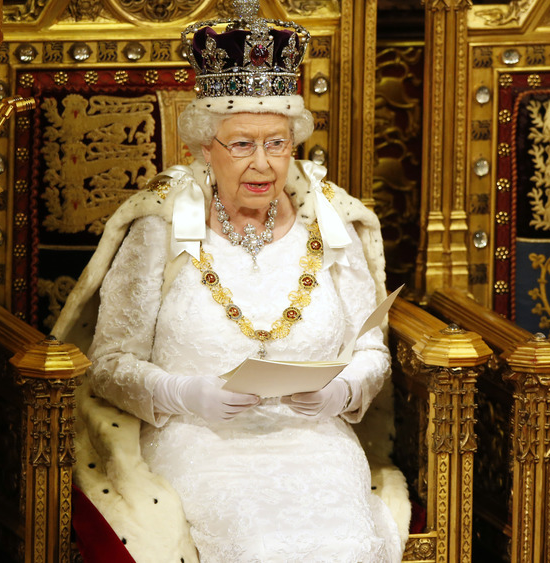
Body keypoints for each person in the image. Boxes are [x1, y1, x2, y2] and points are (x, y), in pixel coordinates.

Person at [52, 2, 403, 561]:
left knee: (340, 543)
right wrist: (186, 394)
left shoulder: (329, 222)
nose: (263, 165)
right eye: (241, 144)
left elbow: (370, 345)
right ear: (203, 149)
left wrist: (341, 390)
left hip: (315, 444)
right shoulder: (162, 227)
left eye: (278, 144)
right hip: (198, 440)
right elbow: (110, 361)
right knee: (259, 543)